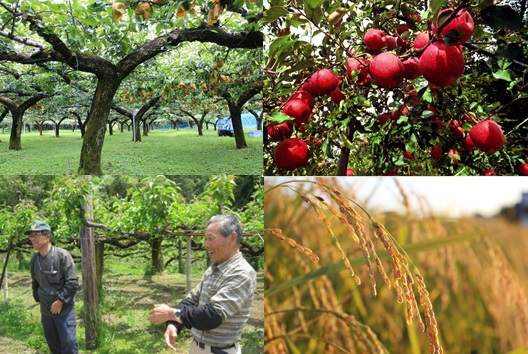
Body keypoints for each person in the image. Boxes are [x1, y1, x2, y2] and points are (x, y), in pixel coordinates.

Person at [148, 214, 257, 354]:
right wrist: (174, 324)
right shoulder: (214, 268)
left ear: (232, 238)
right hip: (197, 347)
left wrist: (170, 313)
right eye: (206, 239)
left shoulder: (242, 273)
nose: (206, 245)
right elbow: (192, 300)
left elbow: (211, 316)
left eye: (211, 238)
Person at [27, 220, 79, 354]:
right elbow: (35, 281)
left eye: (36, 235)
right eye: (31, 236)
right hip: (46, 312)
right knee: (54, 347)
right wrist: (39, 298)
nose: (32, 239)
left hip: (64, 311)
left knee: (68, 344)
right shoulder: (34, 260)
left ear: (47, 237)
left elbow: (72, 282)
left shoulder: (62, 256)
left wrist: (60, 301)